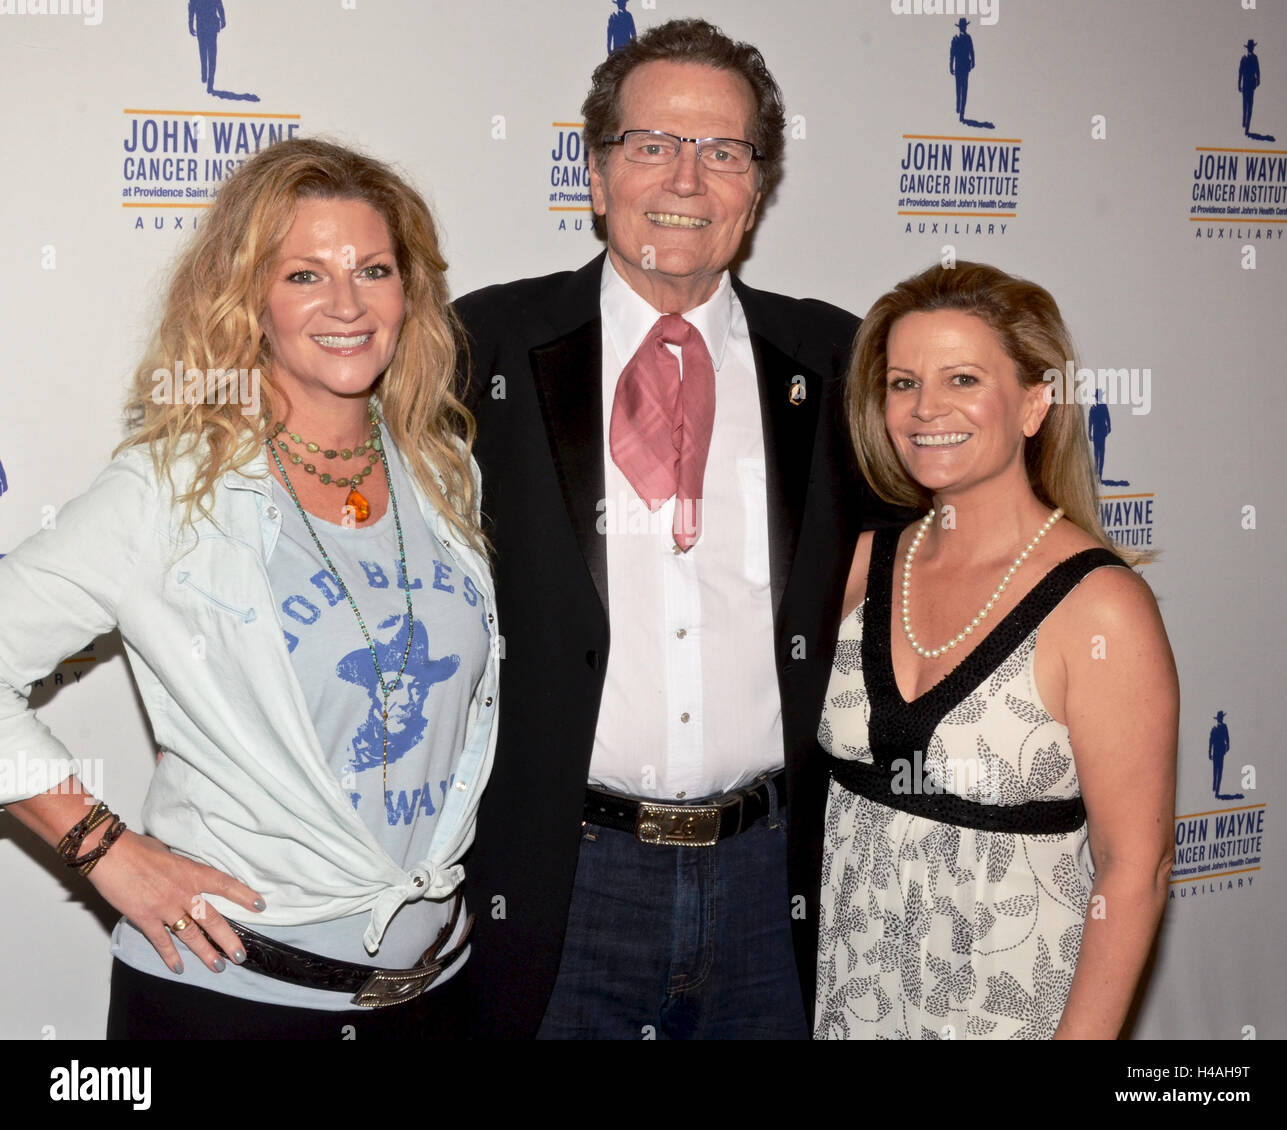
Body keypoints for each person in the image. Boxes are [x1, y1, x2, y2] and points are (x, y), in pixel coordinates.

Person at [0, 138, 499, 1039]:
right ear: (249, 299)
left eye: (373, 269)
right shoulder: (172, 488)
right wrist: (105, 852)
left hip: (440, 993)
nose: (346, 304)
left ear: (408, 293)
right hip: (231, 1004)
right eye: (305, 274)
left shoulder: (443, 470)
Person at [456, 18, 893, 1039]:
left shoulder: (837, 359)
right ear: (597, 172)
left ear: (757, 186)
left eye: (723, 150)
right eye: (652, 144)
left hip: (774, 882)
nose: (686, 179)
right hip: (561, 878)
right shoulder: (481, 347)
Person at [816, 261, 1177, 1039]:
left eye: (963, 379)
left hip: (1009, 1009)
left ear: (1035, 402)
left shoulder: (1100, 607)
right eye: (904, 382)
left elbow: (1135, 869)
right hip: (852, 1002)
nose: (925, 409)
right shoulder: (858, 566)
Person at [950, 18, 975, 122]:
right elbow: (952, 55)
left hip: (964, 68)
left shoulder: (967, 38)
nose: (963, 28)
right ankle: (958, 106)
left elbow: (971, 51)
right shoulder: (955, 39)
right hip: (960, 67)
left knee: (963, 90)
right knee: (959, 89)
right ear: (961, 27)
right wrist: (951, 66)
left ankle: (961, 112)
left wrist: (973, 61)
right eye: (963, 26)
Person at [1238, 39, 1260, 135]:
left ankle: (1247, 127)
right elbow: (1240, 72)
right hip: (1246, 85)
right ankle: (1244, 122)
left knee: (1249, 106)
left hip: (1250, 85)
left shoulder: (1255, 58)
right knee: (1245, 105)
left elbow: (1257, 71)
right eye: (1251, 47)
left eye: (1252, 47)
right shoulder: (1243, 58)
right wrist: (1239, 84)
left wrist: (1258, 80)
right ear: (1248, 48)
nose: (1252, 49)